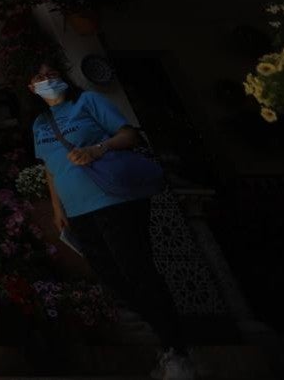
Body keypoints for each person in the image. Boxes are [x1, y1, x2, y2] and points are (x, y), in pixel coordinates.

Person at [28, 62, 196, 380]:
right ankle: (172, 340)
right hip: (78, 211)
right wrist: (57, 209)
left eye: (51, 74)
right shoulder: (40, 123)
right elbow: (49, 168)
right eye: (39, 77)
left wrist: (97, 149)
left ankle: (178, 352)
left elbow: (129, 136)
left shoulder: (88, 102)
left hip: (116, 200)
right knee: (114, 280)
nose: (46, 79)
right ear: (30, 88)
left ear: (63, 78)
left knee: (138, 271)